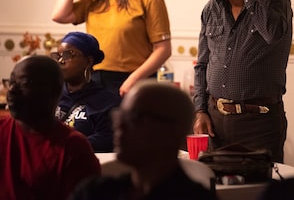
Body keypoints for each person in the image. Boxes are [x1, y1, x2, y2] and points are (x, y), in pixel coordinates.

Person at [185, 0, 293, 163]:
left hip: (259, 124)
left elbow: (272, 34)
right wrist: (200, 111)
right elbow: (202, 64)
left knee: (261, 192)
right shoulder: (210, 9)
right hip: (216, 123)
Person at [52, 0, 171, 97]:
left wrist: (133, 79)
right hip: (95, 79)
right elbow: (59, 15)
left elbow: (163, 49)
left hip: (134, 81)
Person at [69, 80, 218, 200]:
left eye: (133, 118)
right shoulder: (95, 192)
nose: (120, 126)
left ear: (172, 132)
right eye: (120, 117)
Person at [0, 55, 101, 200]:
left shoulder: (74, 149)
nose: (12, 90)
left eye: (25, 83)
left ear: (55, 91)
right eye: (11, 82)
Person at [51, 31, 121, 153]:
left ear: (88, 61)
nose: (61, 61)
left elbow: (107, 139)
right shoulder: (50, 96)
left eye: (68, 55)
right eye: (58, 56)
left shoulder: (107, 102)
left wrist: (64, 146)